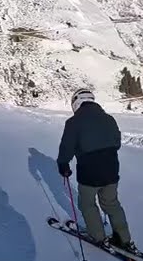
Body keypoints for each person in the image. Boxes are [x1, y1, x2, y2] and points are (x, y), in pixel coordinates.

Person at [56, 88, 136, 251]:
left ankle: (98, 236)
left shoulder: (74, 122)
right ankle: (124, 239)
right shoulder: (109, 119)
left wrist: (63, 164)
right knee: (111, 203)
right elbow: (117, 142)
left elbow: (67, 147)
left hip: (89, 172)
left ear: (76, 103)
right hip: (111, 169)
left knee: (87, 204)